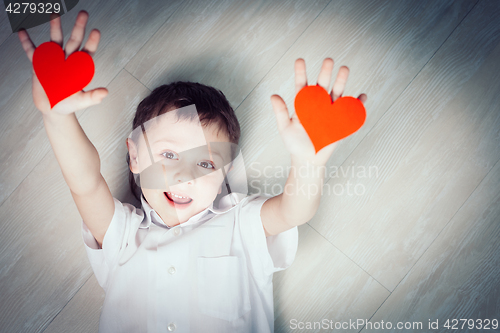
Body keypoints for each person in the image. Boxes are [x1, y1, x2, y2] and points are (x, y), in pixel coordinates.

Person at [18, 10, 367, 333]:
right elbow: (85, 183)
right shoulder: (123, 233)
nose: (185, 176)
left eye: (205, 163)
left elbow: (295, 210)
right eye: (168, 154)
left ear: (225, 171)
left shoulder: (241, 223)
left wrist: (310, 162)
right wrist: (57, 117)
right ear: (135, 157)